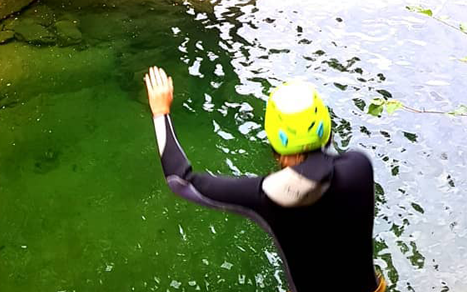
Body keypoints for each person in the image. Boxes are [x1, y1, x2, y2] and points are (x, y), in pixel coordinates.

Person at [144, 67, 385, 292]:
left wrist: (160, 112)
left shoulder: (264, 197)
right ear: (326, 126)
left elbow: (180, 180)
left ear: (274, 143)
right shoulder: (359, 167)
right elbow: (325, 164)